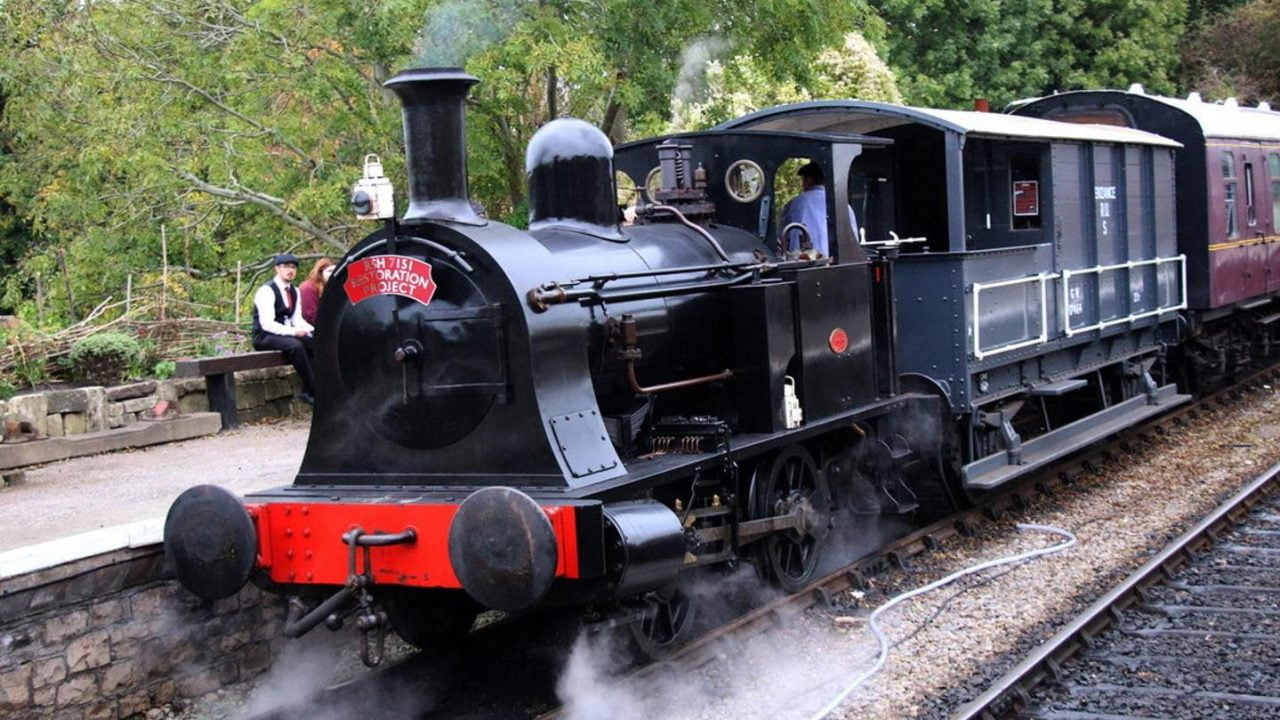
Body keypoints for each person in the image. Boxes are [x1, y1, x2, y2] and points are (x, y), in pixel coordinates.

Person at [252, 252, 316, 405]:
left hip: (285, 334)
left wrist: (313, 330)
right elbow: (267, 323)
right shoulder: (266, 291)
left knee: (314, 342)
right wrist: (294, 332)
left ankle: (317, 387)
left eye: (293, 267)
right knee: (296, 346)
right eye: (286, 267)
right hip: (264, 336)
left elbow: (297, 319)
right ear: (277, 269)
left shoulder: (294, 291)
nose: (290, 270)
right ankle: (313, 390)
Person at [779, 162, 859, 258]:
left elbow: (781, 238)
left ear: (807, 180)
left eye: (803, 180)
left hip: (805, 264)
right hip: (839, 262)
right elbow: (854, 239)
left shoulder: (795, 203)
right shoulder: (843, 205)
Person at [298, 258, 335, 326]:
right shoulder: (308, 288)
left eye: (335, 271)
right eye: (330, 271)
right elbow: (310, 316)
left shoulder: (331, 287)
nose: (333, 274)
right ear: (320, 272)